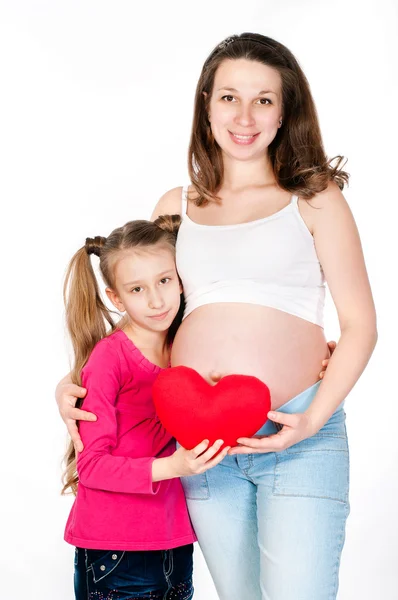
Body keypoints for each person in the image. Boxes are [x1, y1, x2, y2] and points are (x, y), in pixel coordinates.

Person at [57, 33, 377, 600]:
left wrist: (310, 420)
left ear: (285, 113)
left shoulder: (315, 197)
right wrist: (74, 385)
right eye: (229, 97)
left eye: (264, 99)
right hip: (200, 450)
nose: (245, 116)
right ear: (206, 107)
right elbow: (146, 325)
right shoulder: (175, 207)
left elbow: (360, 325)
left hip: (297, 433)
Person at [62, 215, 230, 600]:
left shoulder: (185, 345)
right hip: (116, 550)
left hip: (173, 542)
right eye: (137, 289)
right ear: (116, 298)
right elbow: (90, 465)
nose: (156, 300)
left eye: (164, 281)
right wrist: (173, 467)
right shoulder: (109, 359)